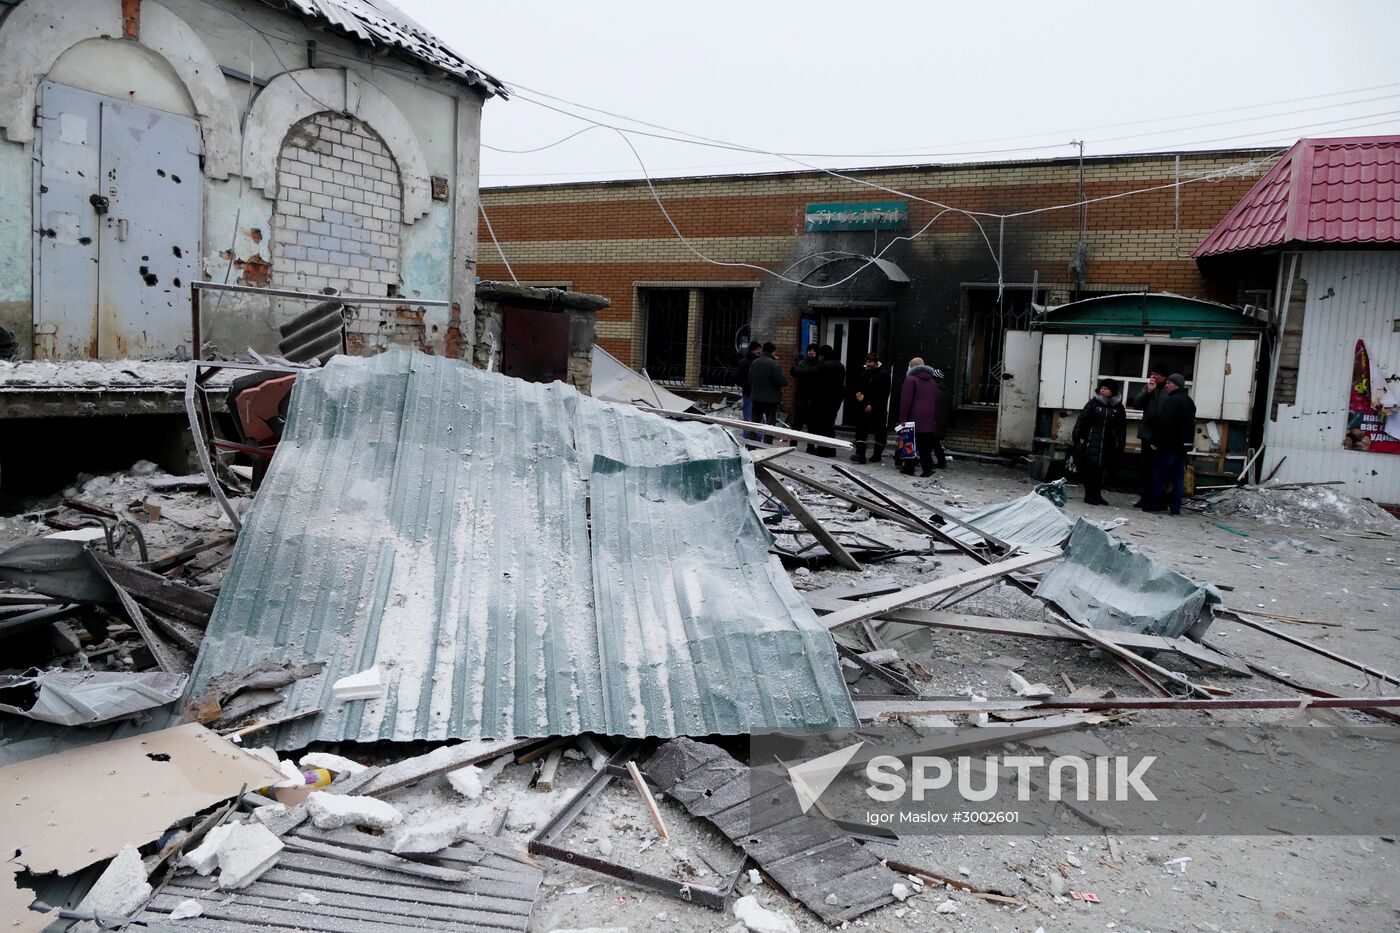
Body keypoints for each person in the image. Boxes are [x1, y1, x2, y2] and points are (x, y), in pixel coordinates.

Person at [1144, 373, 1195, 515]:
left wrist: (1155, 441)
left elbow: (1165, 423)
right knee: (1178, 478)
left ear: (1175, 384)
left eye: (1168, 383)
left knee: (1160, 475)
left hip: (1169, 446)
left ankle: (1153, 504)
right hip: (1183, 446)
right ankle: (1175, 508)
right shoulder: (1189, 401)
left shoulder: (1172, 400)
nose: (1166, 386)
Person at [1073, 379, 1128, 505]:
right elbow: (1082, 420)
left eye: (1106, 388)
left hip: (1108, 443)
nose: (1102, 390)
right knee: (1090, 469)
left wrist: (1121, 444)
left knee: (1101, 471)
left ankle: (1097, 495)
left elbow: (1121, 428)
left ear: (1112, 391)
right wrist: (1077, 437)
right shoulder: (1093, 403)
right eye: (1101, 388)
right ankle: (1089, 495)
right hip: (1092, 442)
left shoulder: (1118, 407)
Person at [1129, 369, 1167, 508]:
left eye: (1156, 374)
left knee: (1159, 467)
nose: (1153, 377)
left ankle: (1158, 498)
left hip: (1161, 435)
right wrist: (1148, 392)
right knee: (1145, 467)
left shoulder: (1168, 389)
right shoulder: (1148, 388)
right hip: (1147, 434)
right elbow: (1137, 404)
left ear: (1164, 376)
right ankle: (1144, 497)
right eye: (1151, 374)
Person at [899, 357, 942, 477]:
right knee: (925, 447)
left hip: (914, 418)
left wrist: (903, 417)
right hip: (928, 420)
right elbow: (936, 402)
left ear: (912, 367)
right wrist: (935, 418)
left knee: (910, 443)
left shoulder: (910, 380)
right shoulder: (932, 382)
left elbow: (906, 401)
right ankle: (927, 469)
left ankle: (909, 468)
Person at [850, 352, 891, 463]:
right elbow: (861, 388)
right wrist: (859, 397)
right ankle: (860, 454)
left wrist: (872, 405)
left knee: (879, 431)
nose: (868, 364)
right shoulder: (864, 373)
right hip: (864, 406)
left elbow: (883, 393)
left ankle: (877, 455)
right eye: (867, 362)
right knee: (861, 430)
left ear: (876, 362)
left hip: (878, 409)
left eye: (871, 362)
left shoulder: (883, 374)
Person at [808, 345, 846, 457]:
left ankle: (823, 449)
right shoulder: (840, 365)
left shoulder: (824, 365)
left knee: (822, 425)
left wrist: (795, 370)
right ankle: (830, 449)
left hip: (823, 400)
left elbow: (811, 374)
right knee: (829, 425)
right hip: (835, 400)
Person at [747, 342, 788, 443]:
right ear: (772, 351)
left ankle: (751, 444)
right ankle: (767, 445)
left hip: (756, 397)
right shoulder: (773, 364)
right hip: (770, 399)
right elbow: (782, 382)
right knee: (769, 424)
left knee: (755, 423)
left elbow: (749, 379)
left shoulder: (754, 362)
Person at [789, 344, 820, 434]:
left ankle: (810, 446)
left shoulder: (819, 363)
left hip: (814, 397)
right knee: (798, 422)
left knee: (812, 423)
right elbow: (796, 372)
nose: (811, 352)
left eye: (814, 350)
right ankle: (793, 443)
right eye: (810, 350)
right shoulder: (803, 363)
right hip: (802, 396)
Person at [734, 341, 761, 435]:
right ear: (752, 350)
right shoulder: (745, 362)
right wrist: (746, 385)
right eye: (757, 349)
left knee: (759, 418)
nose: (759, 351)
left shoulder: (760, 361)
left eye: (760, 349)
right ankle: (748, 439)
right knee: (748, 418)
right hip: (748, 393)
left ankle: (758, 439)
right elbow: (736, 377)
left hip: (759, 394)